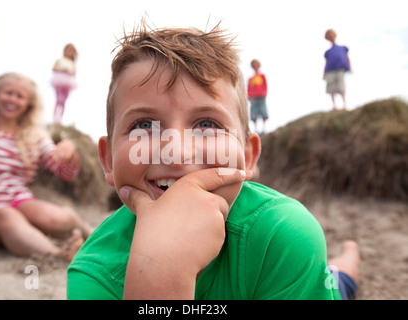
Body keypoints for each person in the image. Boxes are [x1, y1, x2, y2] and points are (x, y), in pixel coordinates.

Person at [67, 22, 359, 299]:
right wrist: (159, 275)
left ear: (247, 157)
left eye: (207, 124)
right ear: (107, 160)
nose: (177, 151)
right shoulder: (93, 273)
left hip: (312, 282)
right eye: (144, 125)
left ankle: (349, 252)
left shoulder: (284, 236)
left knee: (343, 276)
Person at [0, 72, 93, 262]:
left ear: (28, 104)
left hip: (19, 200)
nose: (13, 99)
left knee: (54, 216)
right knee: (7, 215)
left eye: (20, 96)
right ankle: (57, 254)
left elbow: (64, 172)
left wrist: (69, 152)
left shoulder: (34, 136)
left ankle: (89, 231)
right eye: (8, 93)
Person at [323, 29, 351, 110]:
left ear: (335, 35)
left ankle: (344, 105)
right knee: (331, 87)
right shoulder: (327, 52)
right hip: (329, 70)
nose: (331, 37)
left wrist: (349, 67)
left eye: (332, 35)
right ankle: (334, 106)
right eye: (329, 36)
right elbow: (326, 63)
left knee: (341, 85)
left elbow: (347, 58)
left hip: (340, 69)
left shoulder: (343, 48)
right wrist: (324, 73)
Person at [51, 43, 78, 124]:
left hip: (68, 82)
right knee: (58, 99)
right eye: (68, 50)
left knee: (63, 100)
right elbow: (54, 68)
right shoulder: (60, 60)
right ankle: (55, 118)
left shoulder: (73, 63)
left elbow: (74, 73)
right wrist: (62, 69)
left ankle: (60, 118)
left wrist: (69, 72)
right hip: (59, 80)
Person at [247, 59, 268, 134]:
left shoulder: (262, 76)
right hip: (253, 98)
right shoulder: (250, 79)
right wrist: (248, 95)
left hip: (261, 96)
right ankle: (255, 129)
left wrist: (265, 93)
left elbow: (265, 85)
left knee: (263, 111)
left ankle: (264, 128)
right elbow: (249, 88)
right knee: (254, 112)